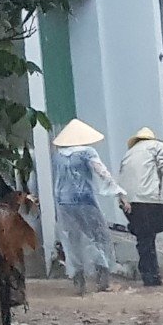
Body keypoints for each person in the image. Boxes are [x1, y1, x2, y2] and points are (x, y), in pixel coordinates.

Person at [48, 119, 122, 294]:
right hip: (85, 199)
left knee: (70, 240)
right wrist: (117, 190)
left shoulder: (58, 155)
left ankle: (78, 282)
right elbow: (101, 171)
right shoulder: (87, 152)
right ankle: (102, 280)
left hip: (62, 201)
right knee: (98, 236)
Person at [117, 127, 163, 287]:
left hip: (128, 202)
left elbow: (120, 177)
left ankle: (151, 277)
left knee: (144, 237)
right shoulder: (157, 146)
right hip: (148, 200)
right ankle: (151, 277)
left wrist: (122, 201)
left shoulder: (128, 154)